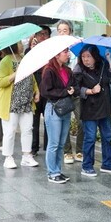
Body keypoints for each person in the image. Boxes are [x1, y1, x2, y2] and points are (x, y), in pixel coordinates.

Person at [74, 45, 111, 177]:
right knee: (90, 137)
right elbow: (76, 89)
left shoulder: (103, 66)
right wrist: (90, 91)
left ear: (95, 57)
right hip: (89, 108)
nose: (86, 59)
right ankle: (87, 165)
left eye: (88, 56)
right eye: (83, 57)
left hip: (104, 106)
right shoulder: (79, 69)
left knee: (107, 136)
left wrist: (109, 60)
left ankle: (108, 164)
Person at [0, 41, 40, 169]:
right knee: (10, 131)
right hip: (11, 102)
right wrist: (15, 74)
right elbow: (1, 82)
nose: (22, 45)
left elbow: (31, 77)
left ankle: (27, 156)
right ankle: (8, 158)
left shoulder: (24, 59)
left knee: (27, 129)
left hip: (26, 101)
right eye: (20, 43)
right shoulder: (5, 61)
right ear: (13, 45)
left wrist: (36, 90)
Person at [40, 48, 75, 184]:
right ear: (56, 54)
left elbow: (73, 85)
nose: (68, 54)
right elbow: (46, 92)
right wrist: (65, 91)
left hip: (65, 108)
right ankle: (52, 172)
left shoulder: (67, 70)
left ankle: (58, 170)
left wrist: (72, 90)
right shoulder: (49, 70)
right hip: (53, 108)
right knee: (54, 143)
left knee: (61, 143)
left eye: (67, 52)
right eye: (65, 52)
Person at [57, 19, 83, 164]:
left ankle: (79, 150)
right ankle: (67, 152)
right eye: (59, 30)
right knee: (65, 122)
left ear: (70, 32)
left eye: (65, 30)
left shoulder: (77, 47)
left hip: (77, 90)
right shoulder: (54, 49)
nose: (62, 33)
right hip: (63, 91)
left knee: (81, 121)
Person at [26, 25, 51, 156]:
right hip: (34, 89)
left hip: (49, 89)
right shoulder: (29, 51)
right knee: (34, 121)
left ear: (49, 36)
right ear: (34, 36)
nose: (42, 36)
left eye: (45, 33)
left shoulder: (53, 50)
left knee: (49, 120)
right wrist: (31, 51)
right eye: (39, 34)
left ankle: (48, 147)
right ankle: (33, 147)